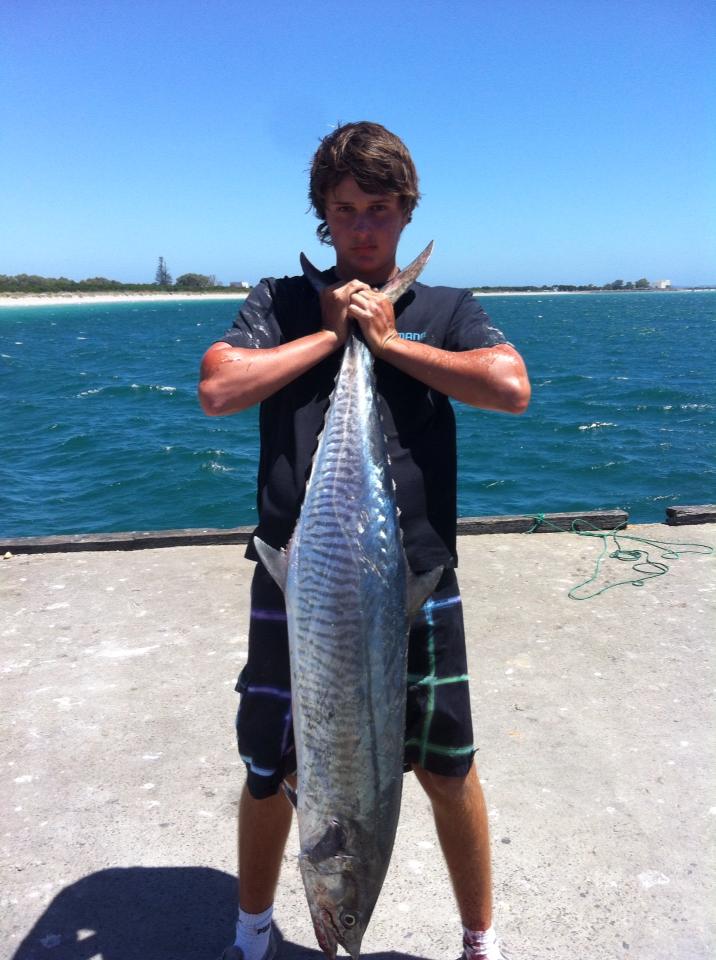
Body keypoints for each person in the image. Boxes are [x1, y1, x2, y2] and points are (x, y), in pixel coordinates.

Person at [199, 121, 531, 960]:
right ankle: (250, 934)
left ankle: (480, 940)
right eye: (345, 210)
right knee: (267, 768)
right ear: (324, 214)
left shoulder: (446, 310)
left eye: (380, 210)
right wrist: (328, 333)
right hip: (299, 577)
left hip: (413, 578)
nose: (363, 228)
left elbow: (510, 386)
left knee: (449, 764)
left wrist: (386, 341)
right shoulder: (281, 301)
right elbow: (218, 388)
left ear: (407, 212)